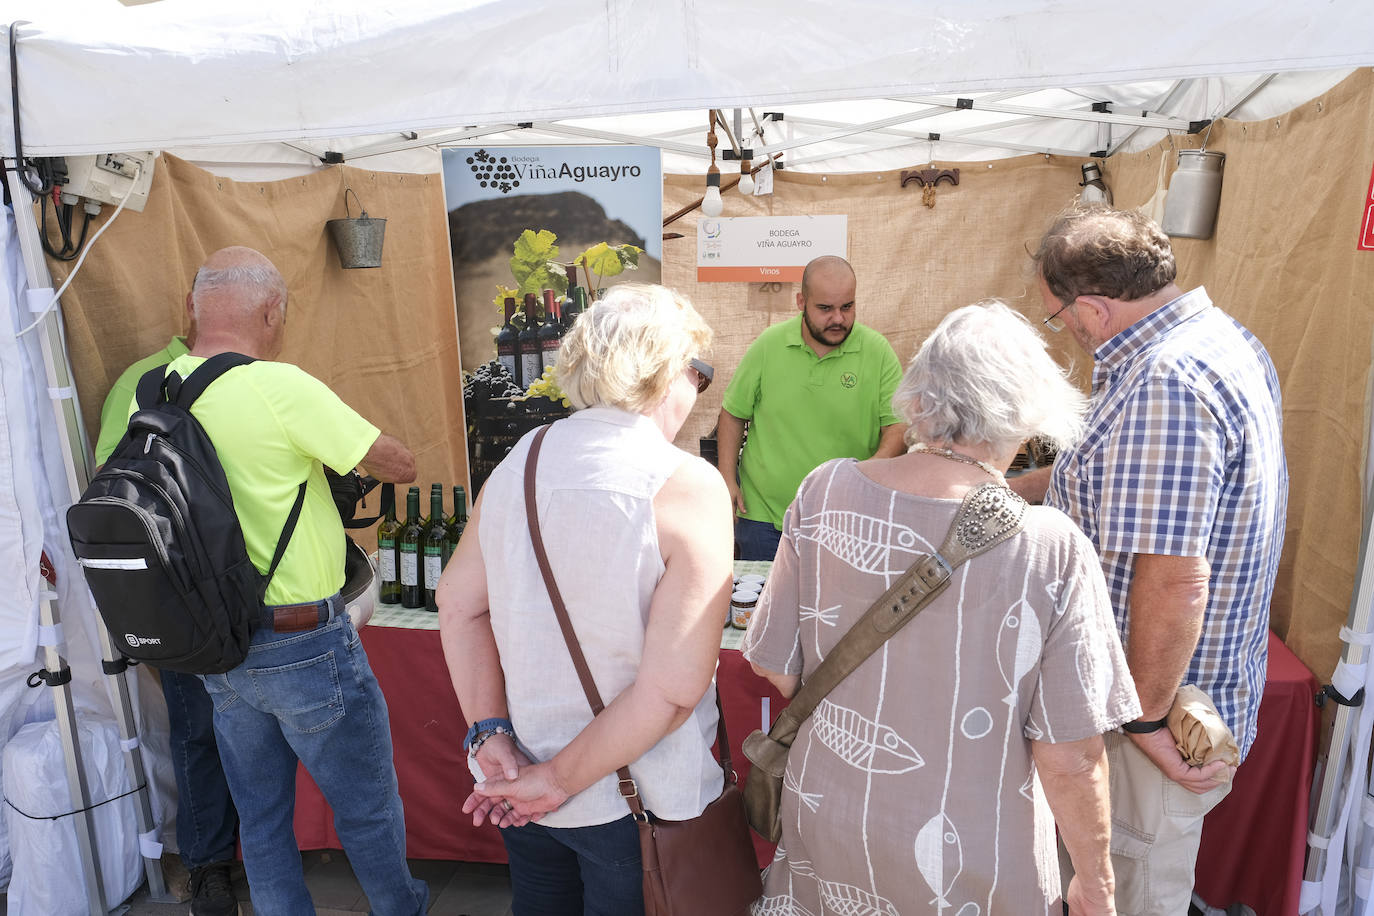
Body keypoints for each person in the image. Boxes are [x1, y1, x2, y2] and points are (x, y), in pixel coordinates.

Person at [743, 301, 1141, 916]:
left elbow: (776, 665)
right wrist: (1095, 880)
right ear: (1028, 413)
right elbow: (1070, 754)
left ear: (919, 395)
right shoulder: (1049, 547)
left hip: (831, 817)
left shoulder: (824, 490)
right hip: (971, 854)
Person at [136, 246, 428, 915]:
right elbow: (398, 463)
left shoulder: (155, 391)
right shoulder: (279, 387)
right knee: (367, 805)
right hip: (302, 640)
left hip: (217, 642)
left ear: (193, 307)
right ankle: (401, 908)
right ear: (273, 311)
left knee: (261, 818)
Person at [1016, 204, 1288, 916]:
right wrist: (992, 490)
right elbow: (1114, 482)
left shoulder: (1164, 381)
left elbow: (1174, 581)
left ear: (1096, 309)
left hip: (1151, 713)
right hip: (1165, 700)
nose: (1064, 331)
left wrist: (1142, 723)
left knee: (1126, 893)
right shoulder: (1219, 339)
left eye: (1058, 317)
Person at [436, 284, 734, 915]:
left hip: (522, 774)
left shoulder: (521, 459)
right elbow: (671, 691)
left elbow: (458, 605)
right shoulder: (686, 483)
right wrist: (554, 781)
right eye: (699, 375)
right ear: (669, 371)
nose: (697, 392)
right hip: (634, 797)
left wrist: (490, 735)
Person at [95, 291, 244, 915]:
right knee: (200, 731)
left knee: (219, 732)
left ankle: (240, 861)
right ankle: (210, 866)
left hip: (236, 589)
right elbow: (112, 487)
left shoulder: (258, 381)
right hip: (189, 596)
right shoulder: (144, 382)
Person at [717, 255, 907, 560]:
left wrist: (865, 479)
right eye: (825, 308)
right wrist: (727, 478)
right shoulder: (769, 344)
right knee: (763, 605)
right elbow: (733, 412)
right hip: (764, 517)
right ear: (801, 301)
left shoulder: (877, 351)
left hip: (846, 519)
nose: (838, 319)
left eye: (847, 307)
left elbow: (898, 426)